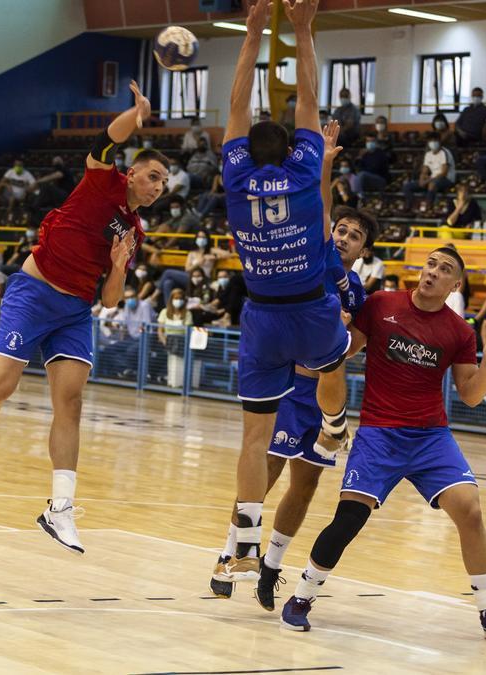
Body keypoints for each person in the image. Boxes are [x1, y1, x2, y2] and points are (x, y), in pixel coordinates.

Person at [0, 80, 165, 554]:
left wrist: (119, 266)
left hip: (75, 311)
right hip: (34, 292)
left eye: (165, 183)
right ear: (132, 175)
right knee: (1, 387)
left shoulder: (135, 230)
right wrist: (134, 115)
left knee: (72, 402)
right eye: (154, 176)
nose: (160, 187)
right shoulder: (103, 181)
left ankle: (59, 508)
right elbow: (107, 140)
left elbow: (113, 300)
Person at [279, 247, 486, 645]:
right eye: (430, 264)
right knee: (349, 519)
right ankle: (302, 596)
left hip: (430, 438)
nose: (432, 273)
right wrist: (335, 329)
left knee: (471, 510)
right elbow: (345, 351)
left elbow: (471, 395)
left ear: (455, 285)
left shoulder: (459, 332)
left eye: (444, 270)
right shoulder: (381, 305)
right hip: (379, 434)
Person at [214, 0, 352, 584]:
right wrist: (301, 29)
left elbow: (237, 103)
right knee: (337, 357)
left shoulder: (236, 178)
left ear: (246, 150)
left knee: (255, 435)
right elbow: (309, 101)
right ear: (296, 150)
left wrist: (250, 35)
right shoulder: (303, 173)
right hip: (310, 311)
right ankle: (338, 424)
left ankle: (244, 538)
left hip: (263, 317)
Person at [213, 204, 376, 604]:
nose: (344, 238)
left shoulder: (356, 293)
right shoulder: (304, 263)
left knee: (306, 485)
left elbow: (352, 347)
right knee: (265, 473)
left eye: (354, 236)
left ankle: (271, 565)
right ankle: (229, 551)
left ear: (363, 251)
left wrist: (339, 336)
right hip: (287, 388)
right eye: (341, 229)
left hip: (322, 395)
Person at [402, 137, 455, 212]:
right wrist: (421, 179)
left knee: (432, 185)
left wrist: (426, 181)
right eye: (431, 141)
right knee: (406, 187)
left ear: (439, 141)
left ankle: (428, 208)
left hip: (447, 179)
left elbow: (443, 173)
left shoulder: (444, 152)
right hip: (432, 178)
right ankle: (414, 204)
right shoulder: (428, 154)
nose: (433, 143)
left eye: (435, 141)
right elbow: (424, 170)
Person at [157, 288, 193, 388]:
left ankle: (176, 380)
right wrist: (165, 341)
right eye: (176, 298)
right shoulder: (164, 312)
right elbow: (160, 331)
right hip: (166, 340)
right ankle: (163, 376)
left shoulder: (188, 313)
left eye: (180, 298)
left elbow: (188, 331)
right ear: (171, 299)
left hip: (181, 341)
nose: (178, 300)